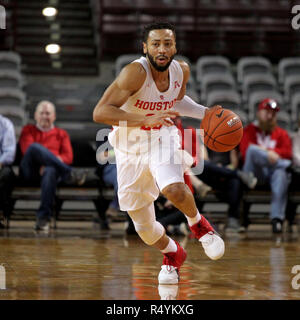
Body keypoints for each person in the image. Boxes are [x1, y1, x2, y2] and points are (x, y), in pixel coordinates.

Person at [93, 21, 225, 285]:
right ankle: (173, 254)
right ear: (146, 48)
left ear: (175, 46)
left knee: (173, 188)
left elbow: (176, 102)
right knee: (144, 229)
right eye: (156, 44)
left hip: (161, 137)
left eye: (167, 43)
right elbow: (100, 112)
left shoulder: (181, 72)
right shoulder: (134, 73)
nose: (162, 49)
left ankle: (199, 225)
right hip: (129, 148)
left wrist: (206, 113)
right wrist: (144, 120)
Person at [19, 101, 87, 232]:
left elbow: (68, 157)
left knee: (50, 170)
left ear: (54, 116)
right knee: (34, 147)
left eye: (48, 113)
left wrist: (49, 162)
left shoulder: (61, 134)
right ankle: (70, 173)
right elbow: (27, 151)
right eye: (42, 113)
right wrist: (51, 160)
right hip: (30, 171)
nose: (45, 116)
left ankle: (43, 218)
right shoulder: (28, 130)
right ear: (35, 115)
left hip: (51, 174)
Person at [239, 98, 292, 234]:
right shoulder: (248, 131)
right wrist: (269, 153)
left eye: (273, 114)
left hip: (273, 174)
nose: (270, 116)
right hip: (253, 174)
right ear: (259, 112)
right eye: (267, 112)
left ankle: (276, 220)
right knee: (252, 150)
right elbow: (245, 152)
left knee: (281, 174)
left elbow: (288, 152)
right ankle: (287, 166)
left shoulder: (281, 133)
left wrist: (271, 153)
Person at [195, 146, 257, 233]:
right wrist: (218, 168)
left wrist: (226, 168)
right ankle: (239, 174)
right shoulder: (204, 141)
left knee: (235, 181)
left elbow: (234, 164)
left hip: (226, 176)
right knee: (204, 164)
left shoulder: (230, 142)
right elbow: (205, 160)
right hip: (211, 175)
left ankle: (233, 218)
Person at [0, 114, 16, 228]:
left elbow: (9, 153)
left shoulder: (6, 124)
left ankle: (2, 213)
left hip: (1, 164)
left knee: (5, 175)